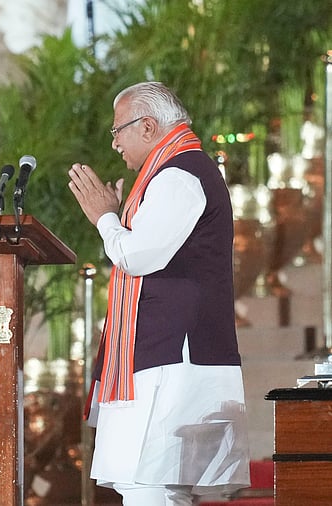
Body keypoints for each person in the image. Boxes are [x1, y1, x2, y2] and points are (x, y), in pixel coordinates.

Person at [67, 81, 250, 505]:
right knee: (148, 487)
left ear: (148, 127)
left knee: (152, 489)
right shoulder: (176, 172)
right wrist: (118, 220)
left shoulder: (180, 175)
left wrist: (106, 219)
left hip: (173, 357)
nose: (114, 143)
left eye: (118, 131)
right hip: (164, 356)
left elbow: (139, 256)